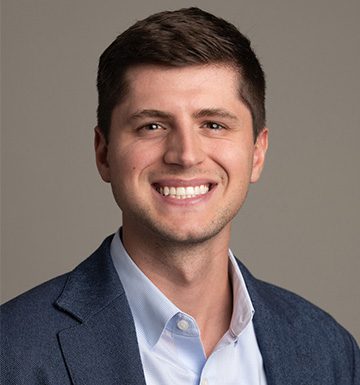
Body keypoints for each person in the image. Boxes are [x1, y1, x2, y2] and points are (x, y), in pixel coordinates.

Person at [1, 7, 359, 385]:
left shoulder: (329, 351)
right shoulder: (12, 353)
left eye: (213, 125)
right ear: (103, 153)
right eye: (152, 125)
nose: (185, 155)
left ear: (257, 153)